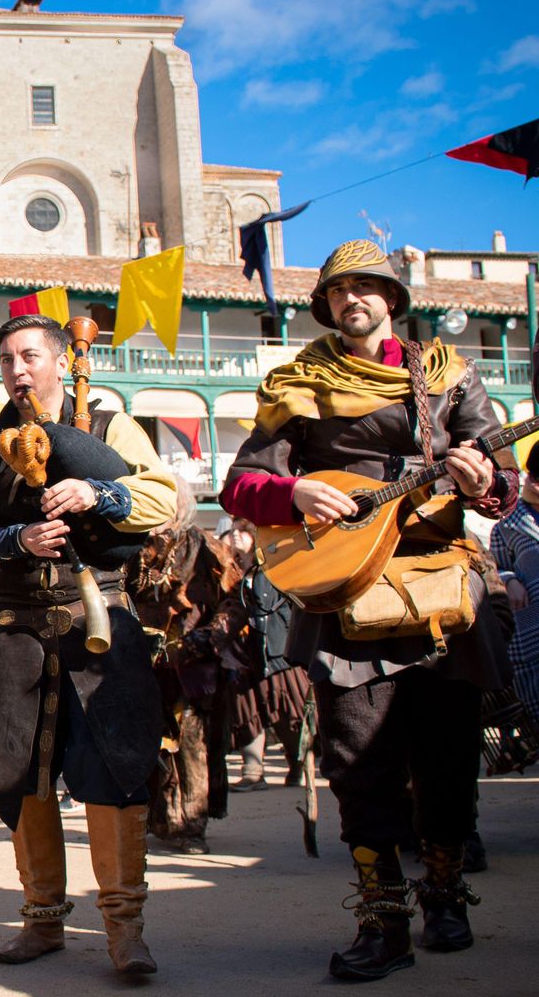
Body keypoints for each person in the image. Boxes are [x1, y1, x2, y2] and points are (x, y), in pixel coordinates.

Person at [221, 240, 516, 982]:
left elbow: (503, 484)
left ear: (391, 297)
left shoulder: (447, 373)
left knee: (449, 760)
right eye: (340, 289)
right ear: (324, 305)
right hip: (345, 594)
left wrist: (483, 478)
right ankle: (383, 920)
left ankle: (445, 896)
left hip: (439, 590)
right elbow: (241, 483)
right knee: (357, 765)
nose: (355, 297)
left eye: (369, 286)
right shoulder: (301, 383)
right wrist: (292, 494)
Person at [0, 312, 177, 975]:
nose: (18, 370)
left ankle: (124, 929)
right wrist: (11, 541)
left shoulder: (108, 423)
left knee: (112, 769)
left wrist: (98, 491)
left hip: (97, 621)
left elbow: (162, 498)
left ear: (56, 359)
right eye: (8, 359)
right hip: (14, 630)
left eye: (30, 356)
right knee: (19, 774)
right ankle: (42, 920)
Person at [128, 481, 241, 855]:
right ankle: (160, 818)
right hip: (147, 665)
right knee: (149, 744)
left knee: (193, 746)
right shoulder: (138, 548)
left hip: (192, 665)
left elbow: (235, 600)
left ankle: (192, 824)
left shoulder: (205, 546)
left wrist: (211, 636)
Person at [217, 518, 308, 792]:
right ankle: (253, 772)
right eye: (232, 531)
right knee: (247, 711)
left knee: (289, 714)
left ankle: (297, 765)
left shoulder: (275, 563)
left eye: (240, 531)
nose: (234, 537)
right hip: (247, 654)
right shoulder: (229, 570)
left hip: (281, 649)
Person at [489, 445, 539, 720]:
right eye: (533, 475)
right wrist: (509, 581)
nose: (535, 484)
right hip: (532, 630)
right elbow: (494, 567)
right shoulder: (507, 525)